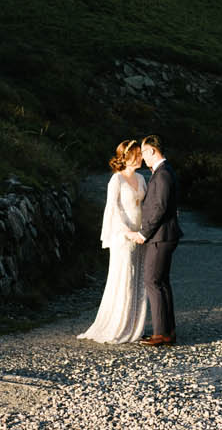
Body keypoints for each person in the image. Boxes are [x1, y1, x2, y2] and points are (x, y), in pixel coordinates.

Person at [77, 140, 149, 343]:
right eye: (137, 154)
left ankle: (135, 326)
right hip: (122, 236)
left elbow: (144, 207)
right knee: (124, 278)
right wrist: (128, 232)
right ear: (126, 157)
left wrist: (144, 232)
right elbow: (113, 210)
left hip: (140, 236)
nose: (141, 158)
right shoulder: (116, 181)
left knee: (139, 279)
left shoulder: (142, 179)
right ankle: (117, 325)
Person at [127, 134, 182, 346]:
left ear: (152, 151)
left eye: (143, 152)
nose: (142, 157)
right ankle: (168, 331)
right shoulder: (165, 171)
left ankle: (161, 333)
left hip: (160, 237)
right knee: (162, 283)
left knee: (153, 281)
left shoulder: (162, 174)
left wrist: (143, 234)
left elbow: (158, 208)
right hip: (165, 236)